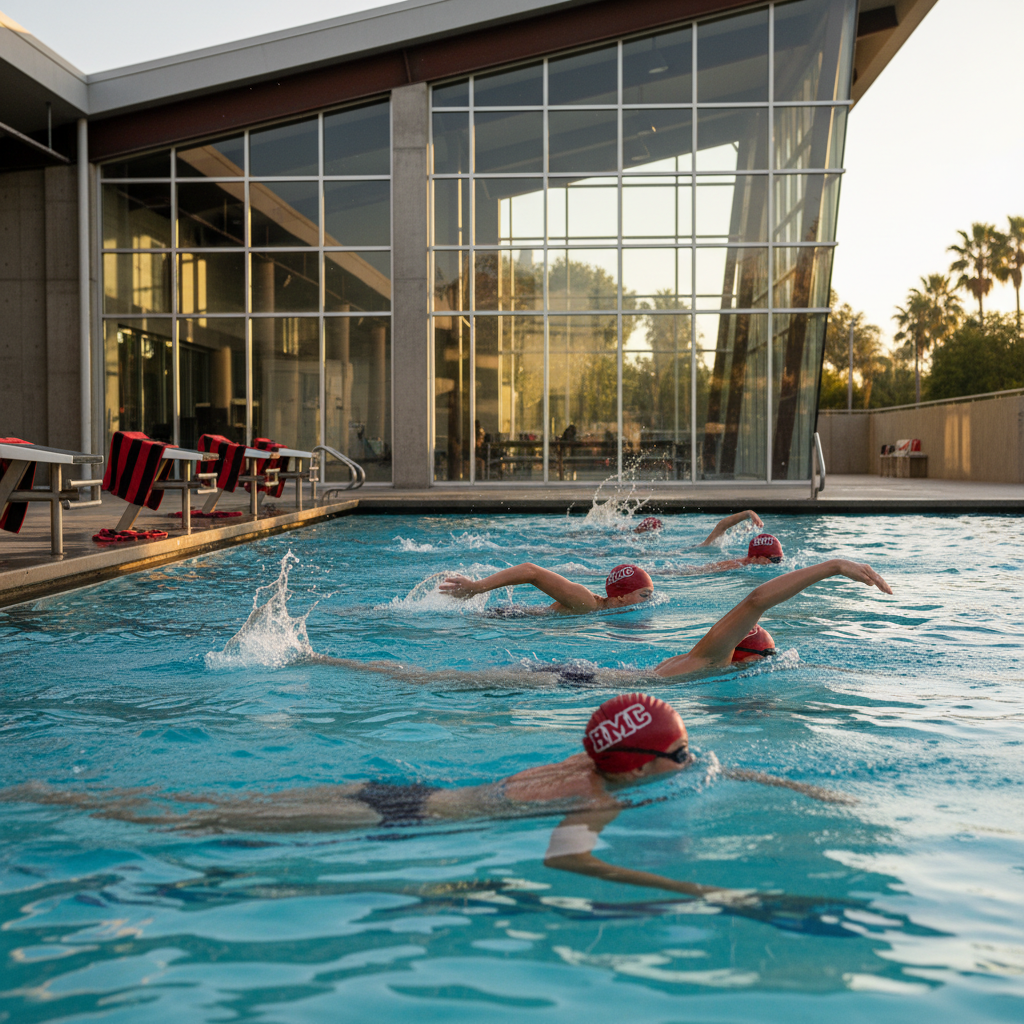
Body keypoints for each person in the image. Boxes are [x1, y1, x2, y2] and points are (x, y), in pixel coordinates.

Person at [1, 692, 851, 908]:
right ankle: (46, 802)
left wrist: (784, 781)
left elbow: (691, 760)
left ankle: (46, 791)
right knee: (202, 820)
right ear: (634, 767)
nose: (693, 761)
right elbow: (569, 861)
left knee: (223, 805)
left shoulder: (596, 759)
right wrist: (699, 892)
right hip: (395, 816)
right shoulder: (596, 799)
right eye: (681, 755)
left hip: (401, 792)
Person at [318, 559, 891, 687]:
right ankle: (319, 657)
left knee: (429, 680)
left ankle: (325, 657)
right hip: (570, 678)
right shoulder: (710, 661)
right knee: (427, 681)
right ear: (744, 656)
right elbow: (756, 600)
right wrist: (834, 567)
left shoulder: (703, 667)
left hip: (576, 673)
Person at [439, 561, 655, 615]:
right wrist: (477, 587)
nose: (650, 601)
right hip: (509, 618)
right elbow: (531, 571)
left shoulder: (598, 609)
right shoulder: (586, 602)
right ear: (620, 598)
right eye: (644, 595)